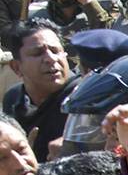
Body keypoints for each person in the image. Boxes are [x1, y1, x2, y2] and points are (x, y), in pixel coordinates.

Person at [4, 22, 78, 161]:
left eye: (56, 51)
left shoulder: (85, 95)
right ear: (17, 67)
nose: (51, 59)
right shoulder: (12, 98)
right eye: (37, 53)